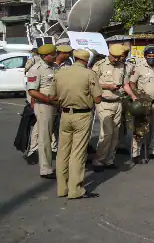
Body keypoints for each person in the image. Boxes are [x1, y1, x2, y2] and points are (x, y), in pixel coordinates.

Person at [55, 49, 101, 199]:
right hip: (82, 115)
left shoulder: (60, 72)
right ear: (87, 60)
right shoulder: (89, 74)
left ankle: (62, 189)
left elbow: (52, 96)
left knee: (63, 152)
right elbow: (98, 99)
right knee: (78, 153)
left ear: (74, 58)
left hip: (65, 114)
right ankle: (75, 190)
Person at [124, 45, 154, 163]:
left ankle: (153, 150)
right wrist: (137, 95)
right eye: (149, 56)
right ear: (145, 56)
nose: (151, 58)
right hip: (143, 103)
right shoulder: (139, 67)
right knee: (140, 128)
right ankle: (136, 153)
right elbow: (132, 83)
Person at [91, 44, 126, 171]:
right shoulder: (100, 65)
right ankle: (99, 161)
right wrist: (107, 86)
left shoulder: (123, 66)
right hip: (104, 102)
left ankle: (109, 160)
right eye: (114, 57)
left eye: (119, 57)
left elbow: (125, 83)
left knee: (115, 134)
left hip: (118, 102)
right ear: (109, 54)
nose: (116, 59)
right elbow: (92, 83)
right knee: (106, 133)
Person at [26, 44, 58, 179]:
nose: (55, 56)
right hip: (44, 106)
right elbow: (32, 91)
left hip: (55, 105)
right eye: (53, 54)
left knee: (52, 136)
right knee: (45, 137)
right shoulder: (36, 69)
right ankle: (45, 169)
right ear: (45, 56)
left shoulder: (55, 67)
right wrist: (49, 100)